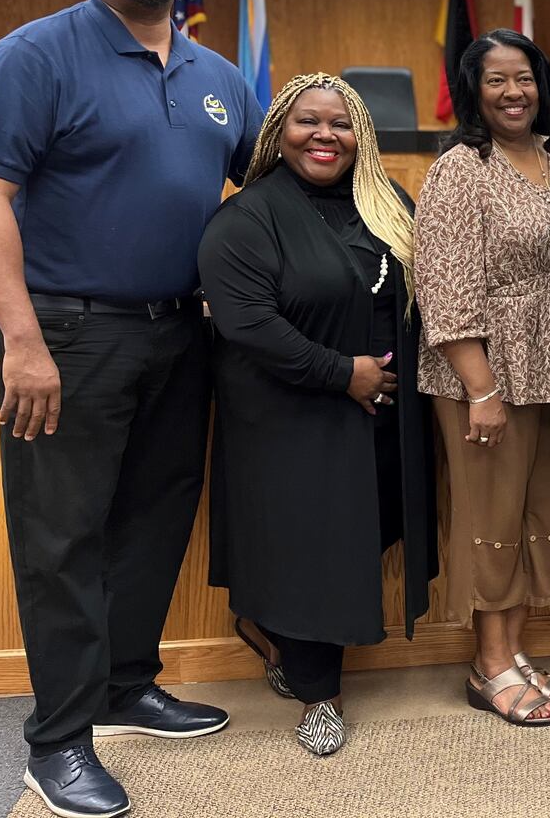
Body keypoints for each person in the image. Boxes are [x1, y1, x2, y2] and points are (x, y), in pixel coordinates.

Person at [0, 0, 257, 818]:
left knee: (153, 517)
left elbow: (265, 192)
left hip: (182, 331)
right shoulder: (35, 56)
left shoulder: (216, 71)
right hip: (67, 335)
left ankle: (123, 687)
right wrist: (19, 339)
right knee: (60, 540)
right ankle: (56, 742)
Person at [197, 74, 435, 755]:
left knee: (353, 543)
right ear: (279, 132)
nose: (324, 135)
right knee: (307, 553)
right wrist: (344, 373)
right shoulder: (245, 219)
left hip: (379, 415)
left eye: (340, 123)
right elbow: (250, 326)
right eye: (308, 122)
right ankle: (317, 697)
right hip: (287, 417)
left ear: (361, 134)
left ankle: (272, 634)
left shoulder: (385, 203)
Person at [416, 30, 550, 728]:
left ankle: (513, 648)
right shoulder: (459, 168)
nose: (513, 93)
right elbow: (443, 289)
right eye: (495, 81)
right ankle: (488, 663)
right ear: (474, 93)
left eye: (524, 78)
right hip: (483, 368)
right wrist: (480, 388)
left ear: (542, 84)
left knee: (538, 508)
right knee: (490, 513)